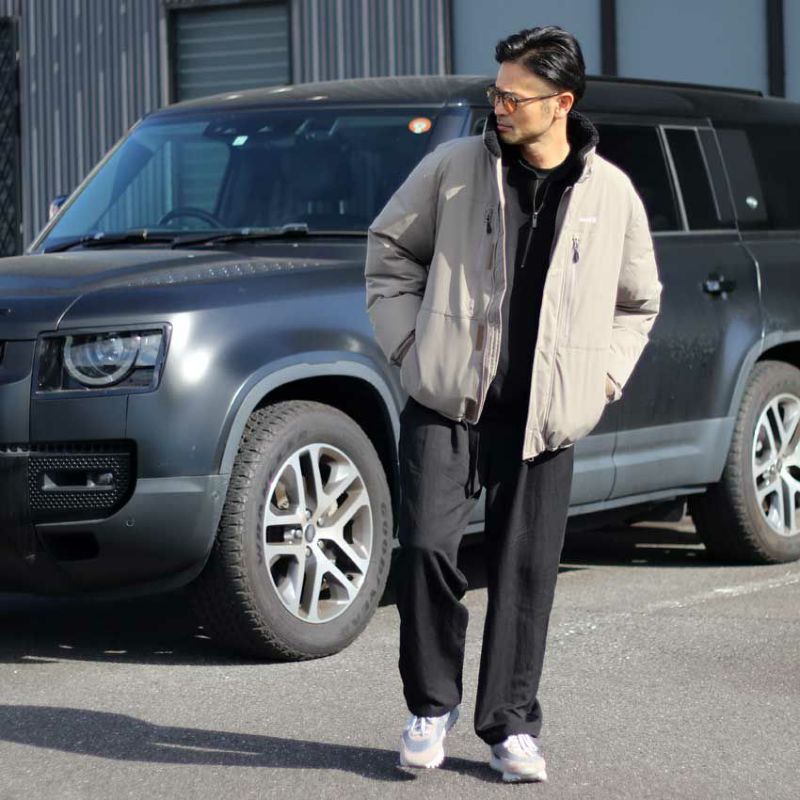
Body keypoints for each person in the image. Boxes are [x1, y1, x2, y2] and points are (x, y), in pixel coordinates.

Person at [365, 25, 662, 783]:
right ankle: (431, 706)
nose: (497, 107)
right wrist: (410, 348)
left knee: (525, 572)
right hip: (447, 402)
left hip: (546, 415)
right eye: (494, 93)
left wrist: (600, 382)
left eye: (514, 97)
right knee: (426, 550)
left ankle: (511, 726)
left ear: (561, 103)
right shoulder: (452, 169)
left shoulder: (610, 194)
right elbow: (389, 253)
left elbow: (638, 302)